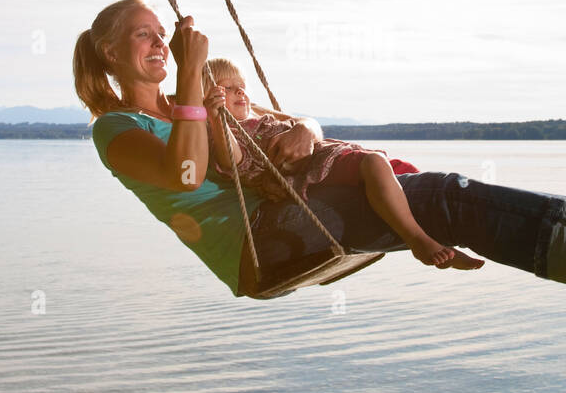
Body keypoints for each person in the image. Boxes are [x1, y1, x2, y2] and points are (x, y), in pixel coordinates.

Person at [73, 0, 566, 300]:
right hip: (258, 246)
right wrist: (192, 72)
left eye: (163, 34)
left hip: (287, 217)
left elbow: (276, 125)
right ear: (110, 53)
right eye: (141, 36)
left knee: (446, 201)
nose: (158, 43)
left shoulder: (205, 100)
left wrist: (299, 124)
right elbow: (186, 175)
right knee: (439, 199)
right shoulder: (117, 131)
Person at [201, 56, 485, 271]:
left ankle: (437, 238)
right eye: (229, 88)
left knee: (407, 176)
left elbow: (301, 123)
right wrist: (216, 117)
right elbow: (231, 159)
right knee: (374, 164)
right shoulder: (229, 133)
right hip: (313, 170)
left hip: (327, 154)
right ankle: (417, 240)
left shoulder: (259, 117)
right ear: (210, 98)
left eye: (243, 88)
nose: (241, 93)